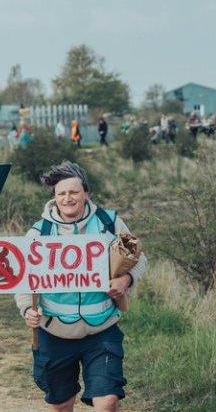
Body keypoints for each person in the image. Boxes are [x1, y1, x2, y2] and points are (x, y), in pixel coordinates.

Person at [19, 162, 148, 412]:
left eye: (74, 192)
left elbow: (139, 258)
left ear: (86, 193)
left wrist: (126, 280)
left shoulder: (110, 223)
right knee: (61, 404)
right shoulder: (39, 233)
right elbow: (24, 279)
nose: (68, 198)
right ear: (54, 198)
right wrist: (26, 310)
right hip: (54, 332)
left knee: (108, 402)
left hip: (102, 329)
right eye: (61, 194)